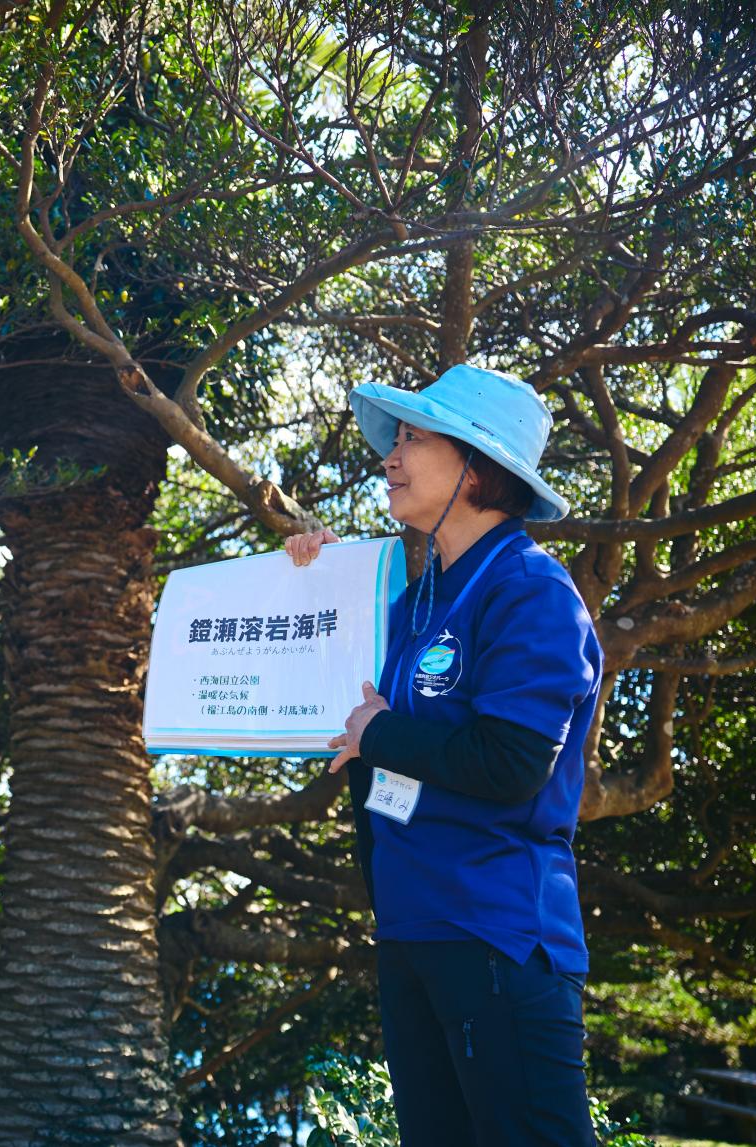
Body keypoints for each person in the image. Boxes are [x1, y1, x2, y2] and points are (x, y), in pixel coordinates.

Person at [286, 363, 602, 1147]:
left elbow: (509, 763)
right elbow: (333, 702)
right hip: (411, 929)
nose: (388, 457)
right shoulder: (414, 603)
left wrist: (381, 734)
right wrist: (312, 585)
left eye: (411, 438)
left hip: (495, 929)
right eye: (392, 439)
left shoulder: (532, 590)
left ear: (476, 466)